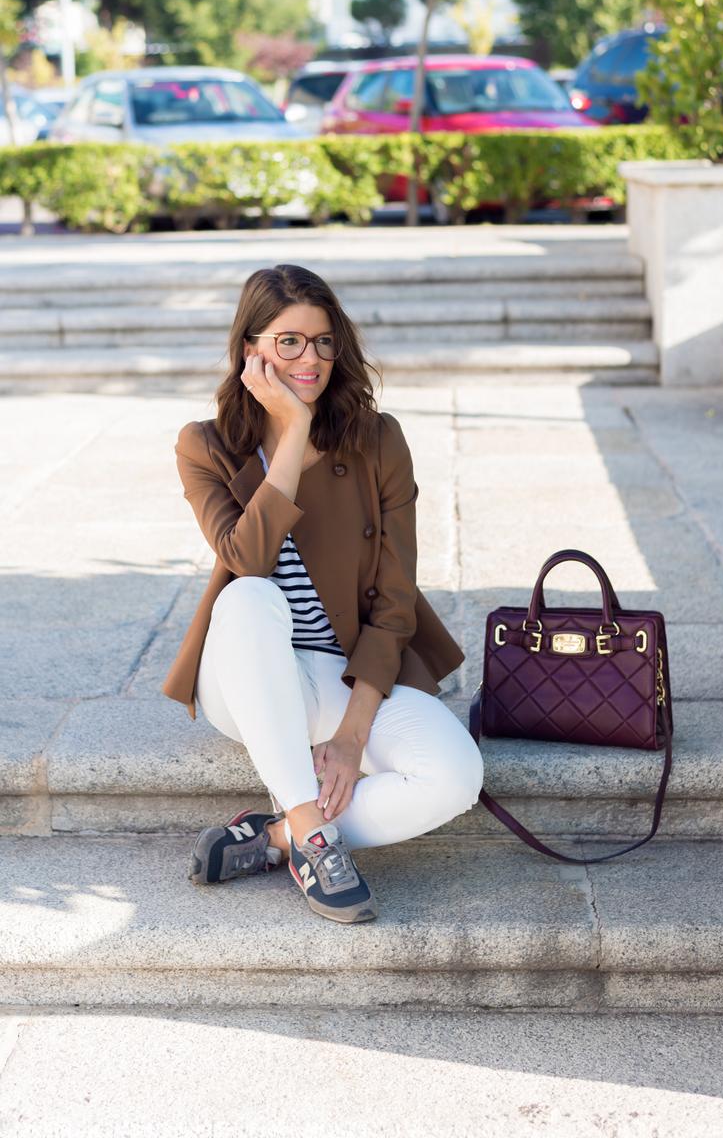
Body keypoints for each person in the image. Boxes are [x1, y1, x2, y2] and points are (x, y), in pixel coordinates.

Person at [161, 263, 484, 924]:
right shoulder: (206, 447)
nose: (311, 358)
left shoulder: (378, 439)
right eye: (289, 342)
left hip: (350, 672)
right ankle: (313, 834)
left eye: (323, 341)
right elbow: (246, 558)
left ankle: (278, 837)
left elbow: (396, 599)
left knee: (456, 776)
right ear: (251, 348)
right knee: (250, 598)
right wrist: (294, 431)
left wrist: (351, 734)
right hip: (249, 678)